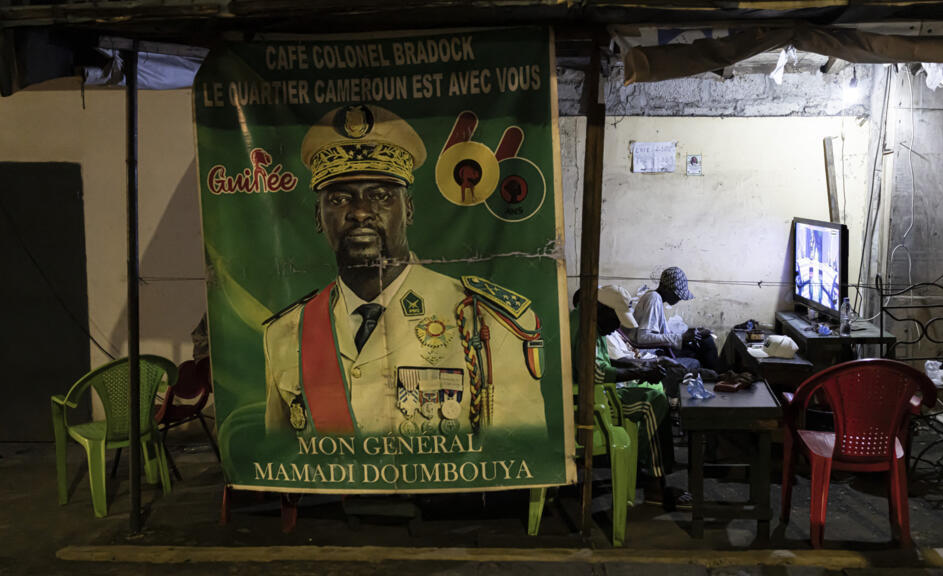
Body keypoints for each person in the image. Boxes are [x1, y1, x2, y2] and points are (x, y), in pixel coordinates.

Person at [264, 104, 546, 437]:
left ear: (409, 209)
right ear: (317, 217)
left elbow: (515, 459)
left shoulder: (485, 321)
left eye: (381, 195)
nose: (360, 212)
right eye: (339, 199)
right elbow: (281, 464)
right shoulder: (285, 333)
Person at [570, 287, 676, 506]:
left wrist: (640, 365)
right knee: (652, 403)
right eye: (616, 319)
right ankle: (655, 483)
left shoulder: (586, 321)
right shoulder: (585, 329)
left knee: (653, 396)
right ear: (601, 308)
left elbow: (601, 363)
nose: (617, 327)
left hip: (590, 393)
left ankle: (650, 469)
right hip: (586, 402)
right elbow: (595, 373)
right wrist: (640, 371)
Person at [630, 267, 720, 373]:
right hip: (652, 353)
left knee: (705, 339)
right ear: (664, 287)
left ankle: (715, 376)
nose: (679, 298)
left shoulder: (655, 298)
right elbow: (643, 338)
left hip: (660, 348)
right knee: (705, 347)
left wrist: (688, 333)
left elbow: (660, 333)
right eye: (676, 293)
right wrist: (680, 337)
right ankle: (715, 376)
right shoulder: (653, 298)